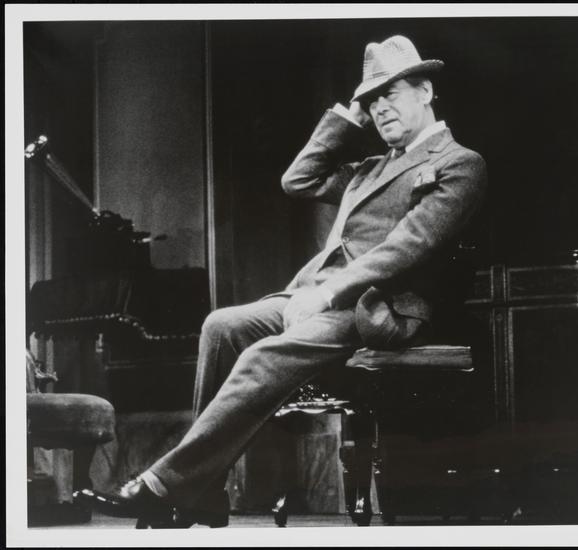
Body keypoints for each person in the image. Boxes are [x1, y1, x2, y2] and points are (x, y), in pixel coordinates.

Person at [74, 34, 487, 528]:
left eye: (390, 94)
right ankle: (206, 495)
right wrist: (347, 117)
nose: (380, 108)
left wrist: (328, 293)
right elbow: (299, 180)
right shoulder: (371, 169)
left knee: (262, 354)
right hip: (320, 296)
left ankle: (165, 486)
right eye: (372, 100)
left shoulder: (459, 163)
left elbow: (409, 245)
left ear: (426, 91)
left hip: (378, 307)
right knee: (221, 326)